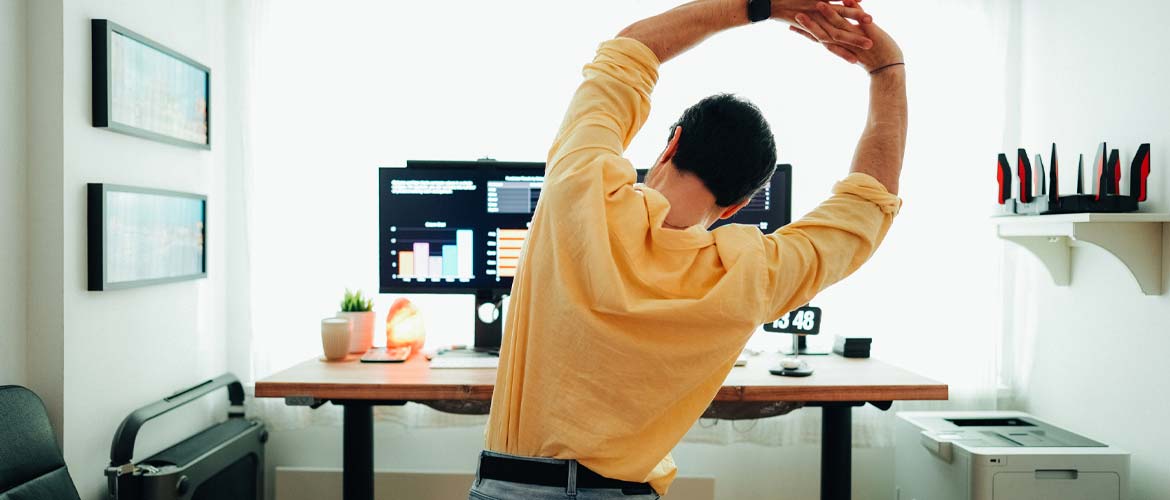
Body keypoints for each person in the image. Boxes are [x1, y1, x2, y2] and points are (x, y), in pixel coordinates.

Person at [472, 0, 906, 498]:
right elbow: (867, 207)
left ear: (671, 145)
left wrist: (767, 7)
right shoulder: (752, 272)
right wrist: (886, 70)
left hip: (515, 487)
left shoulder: (581, 187)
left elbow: (631, 51)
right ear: (739, 204)